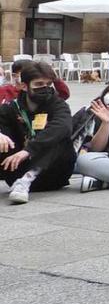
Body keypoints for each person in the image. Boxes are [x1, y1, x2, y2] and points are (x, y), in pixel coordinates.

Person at [0, 62, 75, 203]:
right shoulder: (11, 108)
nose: (45, 88)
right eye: (39, 84)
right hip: (16, 172)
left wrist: (28, 150)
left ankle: (27, 179)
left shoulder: (58, 105)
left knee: (59, 136)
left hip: (52, 173)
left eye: (48, 84)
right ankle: (21, 181)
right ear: (24, 86)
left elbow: (62, 126)